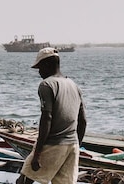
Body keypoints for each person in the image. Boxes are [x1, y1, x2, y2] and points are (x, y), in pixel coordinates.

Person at [20, 48, 85, 184]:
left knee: (23, 181)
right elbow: (83, 121)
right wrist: (76, 146)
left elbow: (46, 119)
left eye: (40, 67)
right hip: (72, 145)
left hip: (54, 143)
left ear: (48, 65)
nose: (39, 72)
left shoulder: (46, 85)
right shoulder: (74, 85)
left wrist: (37, 155)